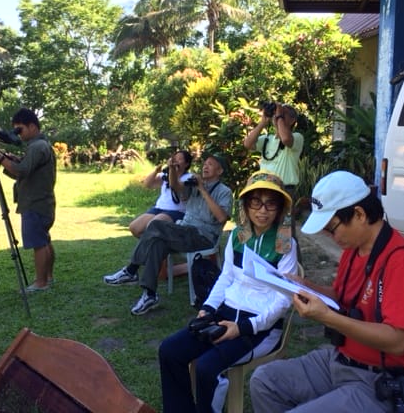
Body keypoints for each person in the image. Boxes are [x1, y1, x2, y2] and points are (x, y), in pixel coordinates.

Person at [249, 170, 404, 413]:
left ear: (359, 214)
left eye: (331, 228)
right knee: (264, 380)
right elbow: (344, 296)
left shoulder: (403, 262)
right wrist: (305, 287)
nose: (329, 236)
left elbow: (398, 341)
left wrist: (327, 317)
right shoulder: (354, 248)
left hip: (381, 379)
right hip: (341, 360)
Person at [158, 171, 298, 413]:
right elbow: (227, 277)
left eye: (270, 203)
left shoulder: (285, 243)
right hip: (224, 313)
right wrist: (208, 308)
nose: (262, 210)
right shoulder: (238, 235)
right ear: (245, 204)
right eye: (255, 202)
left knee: (206, 368)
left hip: (260, 327)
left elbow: (283, 299)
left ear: (280, 208)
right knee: (169, 351)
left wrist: (244, 327)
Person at [103, 153, 233, 316]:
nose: (205, 167)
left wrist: (202, 189)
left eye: (211, 164)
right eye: (204, 164)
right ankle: (150, 294)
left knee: (156, 225)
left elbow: (221, 217)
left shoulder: (224, 191)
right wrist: (172, 168)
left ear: (220, 171)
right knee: (158, 243)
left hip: (203, 237)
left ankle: (131, 270)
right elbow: (176, 187)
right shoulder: (193, 184)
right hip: (184, 231)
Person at [0, 107, 56, 293]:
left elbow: (22, 171)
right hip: (42, 202)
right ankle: (48, 278)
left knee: (38, 244)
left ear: (32, 126)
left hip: (35, 203)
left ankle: (41, 283)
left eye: (20, 129)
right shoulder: (39, 146)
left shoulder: (38, 147)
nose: (18, 134)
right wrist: (8, 159)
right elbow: (24, 170)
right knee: (44, 240)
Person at [243, 102, 304, 235]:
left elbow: (286, 138)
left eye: (283, 114)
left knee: (285, 233)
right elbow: (247, 144)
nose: (277, 117)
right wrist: (263, 122)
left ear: (293, 120)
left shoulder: (297, 138)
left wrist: (279, 116)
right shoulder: (267, 139)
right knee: (262, 230)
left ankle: (290, 256)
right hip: (264, 188)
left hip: (284, 190)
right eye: (276, 114)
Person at [128, 150, 193, 238]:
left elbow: (174, 185)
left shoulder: (188, 178)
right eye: (175, 159)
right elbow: (148, 184)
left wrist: (172, 170)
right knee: (134, 227)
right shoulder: (165, 175)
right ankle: (154, 246)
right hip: (158, 209)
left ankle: (154, 248)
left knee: (152, 226)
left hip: (176, 212)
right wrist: (156, 171)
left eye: (180, 159)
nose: (176, 161)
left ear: (186, 164)